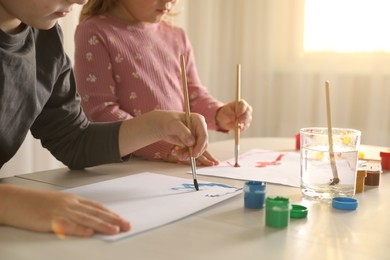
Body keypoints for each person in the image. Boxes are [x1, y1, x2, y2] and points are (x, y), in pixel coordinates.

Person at [0, 0, 208, 238]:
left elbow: (73, 140)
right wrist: (10, 203)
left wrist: (155, 126)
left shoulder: (45, 38)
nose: (81, 0)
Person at [74, 0, 253, 166]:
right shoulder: (95, 32)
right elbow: (100, 112)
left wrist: (220, 114)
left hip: (173, 166)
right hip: (124, 167)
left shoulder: (176, 36)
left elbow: (193, 96)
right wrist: (166, 146)